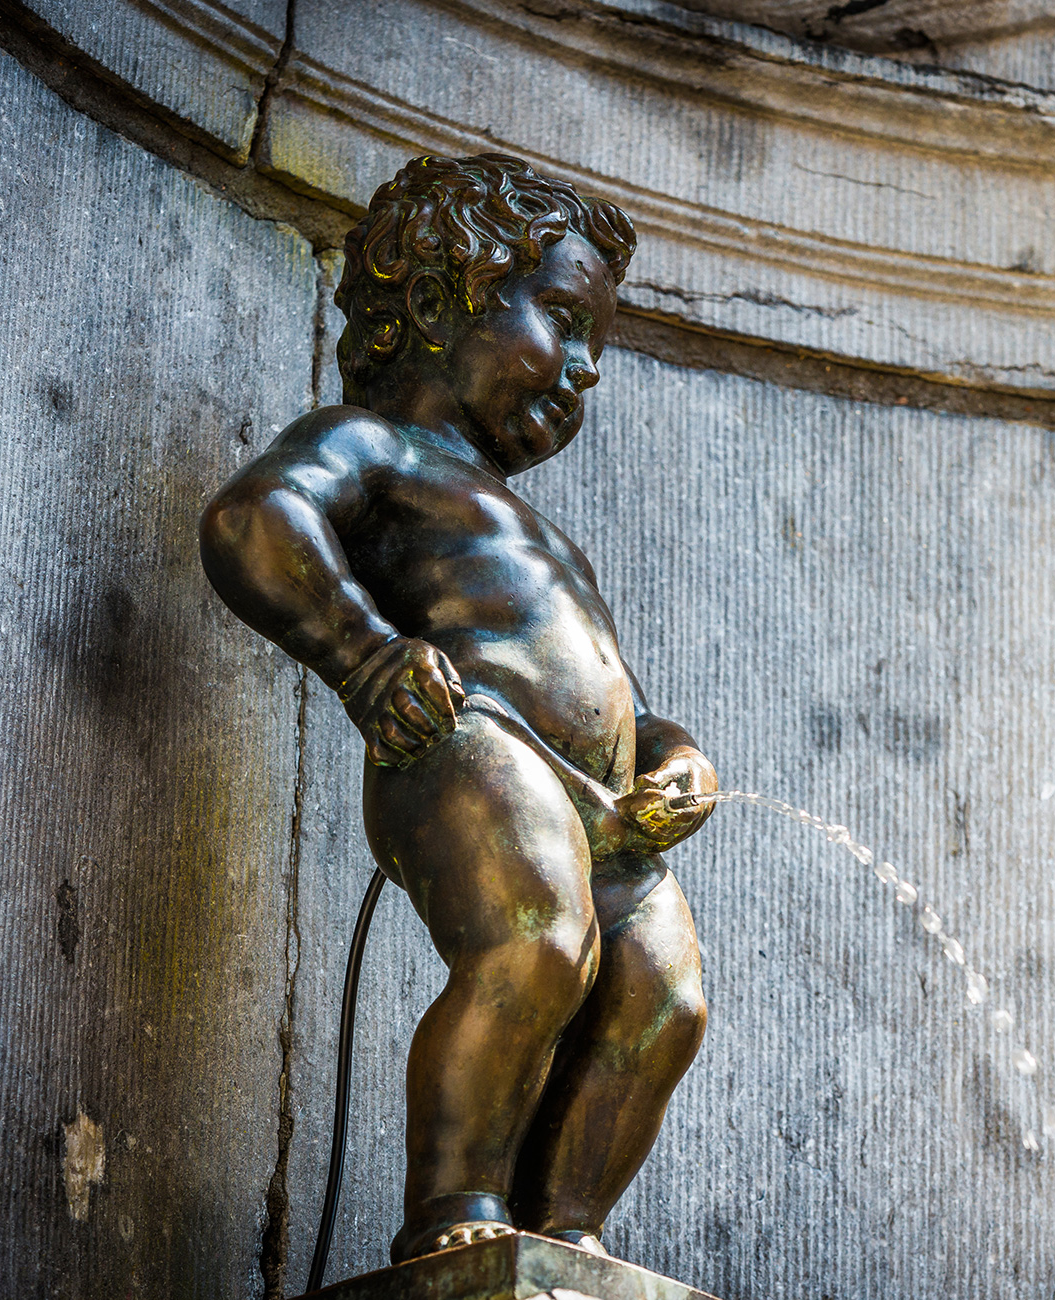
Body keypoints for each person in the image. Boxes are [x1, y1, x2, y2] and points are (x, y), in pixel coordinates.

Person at [200, 153, 715, 1264]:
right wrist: (365, 656)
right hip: (462, 734)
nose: (583, 372)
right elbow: (256, 516)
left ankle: (562, 1239)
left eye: (597, 349)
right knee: (534, 945)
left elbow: (618, 697)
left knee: (661, 1001)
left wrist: (675, 762)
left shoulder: (548, 539)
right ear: (439, 302)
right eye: (565, 324)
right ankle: (454, 1214)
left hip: (601, 803)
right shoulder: (373, 447)